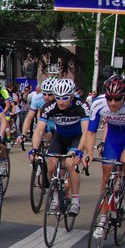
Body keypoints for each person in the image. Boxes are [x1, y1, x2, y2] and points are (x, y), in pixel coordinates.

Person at [84, 74, 125, 224]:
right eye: (109, 99)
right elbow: (91, 132)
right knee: (106, 177)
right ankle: (103, 220)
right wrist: (89, 152)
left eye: (117, 99)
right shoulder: (98, 103)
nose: (112, 103)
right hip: (113, 137)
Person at [28, 78, 89, 215]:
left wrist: (80, 151)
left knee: (70, 164)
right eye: (58, 98)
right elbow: (39, 130)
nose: (61, 102)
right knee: (50, 167)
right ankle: (56, 193)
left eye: (65, 98)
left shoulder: (81, 106)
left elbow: (86, 132)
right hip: (59, 137)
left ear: (72, 96)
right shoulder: (48, 107)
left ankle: (75, 201)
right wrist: (35, 149)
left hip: (76, 138)